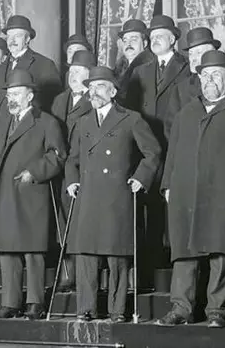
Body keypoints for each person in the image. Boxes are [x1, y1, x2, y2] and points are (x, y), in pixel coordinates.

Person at [158, 50, 225, 328]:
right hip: (186, 190)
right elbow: (172, 152)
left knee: (222, 249)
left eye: (217, 75)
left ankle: (216, 310)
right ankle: (181, 308)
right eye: (205, 75)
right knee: (184, 251)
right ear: (199, 79)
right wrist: (168, 184)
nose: (210, 80)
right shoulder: (186, 112)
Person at [65, 66, 161, 322]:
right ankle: (86, 308)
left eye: (99, 86)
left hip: (116, 195)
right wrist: (72, 181)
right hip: (87, 196)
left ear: (113, 90)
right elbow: (71, 159)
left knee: (116, 254)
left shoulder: (131, 118)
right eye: (90, 88)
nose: (93, 92)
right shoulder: (82, 121)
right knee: (85, 253)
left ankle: (118, 310)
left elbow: (152, 152)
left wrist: (140, 178)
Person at [0, 70, 66, 320]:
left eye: (16, 94)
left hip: (31, 192)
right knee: (7, 249)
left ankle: (35, 301)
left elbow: (58, 155)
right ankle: (10, 302)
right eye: (9, 95)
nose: (12, 99)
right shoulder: (5, 121)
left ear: (30, 95)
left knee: (33, 250)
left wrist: (34, 172)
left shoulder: (46, 122)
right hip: (5, 192)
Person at [130, 15, 192, 285]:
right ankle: (152, 257)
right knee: (148, 203)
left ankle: (173, 256)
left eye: (161, 35)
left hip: (175, 145)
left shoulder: (187, 68)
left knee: (173, 201)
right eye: (152, 36)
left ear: (174, 39)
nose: (155, 40)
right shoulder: (141, 70)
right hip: (146, 148)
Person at [49, 50, 96, 292]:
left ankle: (82, 275)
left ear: (89, 75)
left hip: (82, 168)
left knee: (80, 220)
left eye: (78, 72)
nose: (72, 76)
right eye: (71, 71)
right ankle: (67, 273)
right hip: (60, 168)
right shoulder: (60, 100)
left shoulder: (95, 99)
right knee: (62, 219)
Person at [167, 27, 225, 141]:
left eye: (199, 53)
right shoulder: (180, 89)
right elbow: (171, 129)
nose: (193, 59)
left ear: (213, 52)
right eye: (191, 54)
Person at [0, 15, 62, 113]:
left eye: (17, 36)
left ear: (27, 39)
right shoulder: (1, 66)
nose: (12, 40)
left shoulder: (44, 64)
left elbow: (52, 104)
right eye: (9, 36)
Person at [113, 19, 154, 102]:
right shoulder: (118, 69)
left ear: (145, 43)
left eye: (133, 39)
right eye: (125, 40)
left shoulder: (150, 68)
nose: (128, 44)